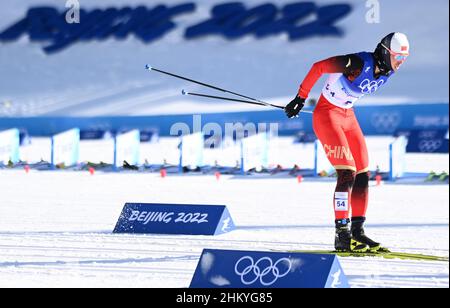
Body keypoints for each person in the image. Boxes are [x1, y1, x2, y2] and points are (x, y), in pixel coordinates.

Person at [284, 32, 410, 252]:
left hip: (347, 115)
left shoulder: (387, 71)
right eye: (398, 57)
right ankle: (341, 234)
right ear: (385, 52)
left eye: (404, 59)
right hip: (327, 114)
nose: (400, 63)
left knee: (362, 173)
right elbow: (319, 67)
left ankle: (357, 232)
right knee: (347, 172)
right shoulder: (358, 63)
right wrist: (300, 98)